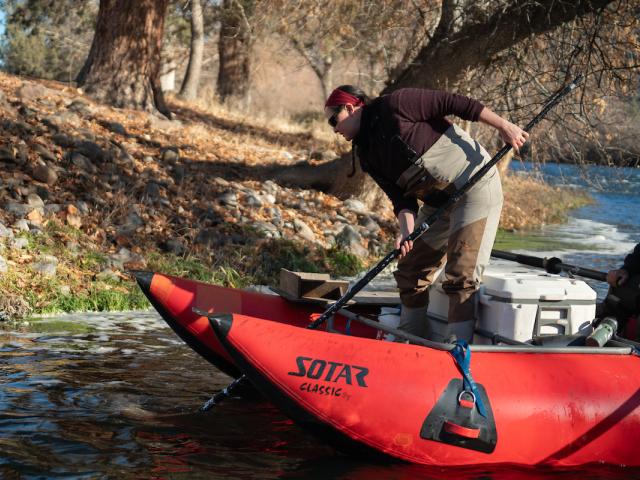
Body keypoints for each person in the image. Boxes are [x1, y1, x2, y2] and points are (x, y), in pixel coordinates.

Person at [324, 85, 528, 342]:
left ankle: (458, 351)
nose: (334, 129)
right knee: (410, 267)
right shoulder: (366, 154)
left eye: (334, 120)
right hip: (437, 205)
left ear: (351, 108)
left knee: (461, 273)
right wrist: (407, 233)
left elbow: (457, 103)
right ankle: (410, 340)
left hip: (475, 189)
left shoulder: (397, 104)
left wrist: (504, 126)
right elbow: (401, 199)